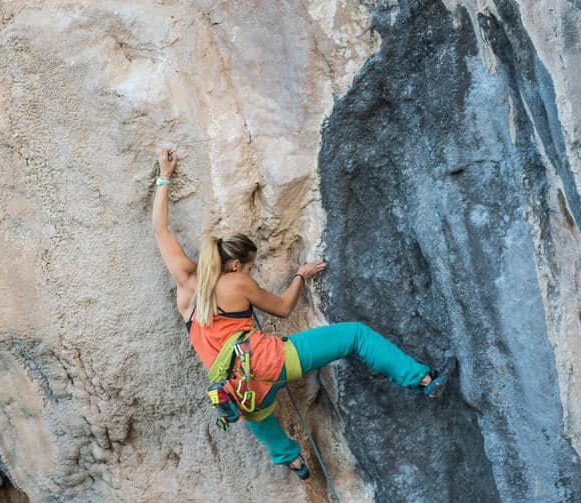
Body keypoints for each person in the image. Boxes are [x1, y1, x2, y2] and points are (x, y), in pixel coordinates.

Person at [151, 147, 456, 478]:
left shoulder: (185, 286)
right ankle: (423, 380)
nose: (250, 274)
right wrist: (300, 276)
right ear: (236, 265)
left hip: (235, 390)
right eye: (251, 268)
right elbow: (282, 309)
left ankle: (292, 460)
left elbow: (160, 231)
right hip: (269, 361)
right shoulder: (236, 282)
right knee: (354, 335)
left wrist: (164, 175)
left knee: (260, 415)